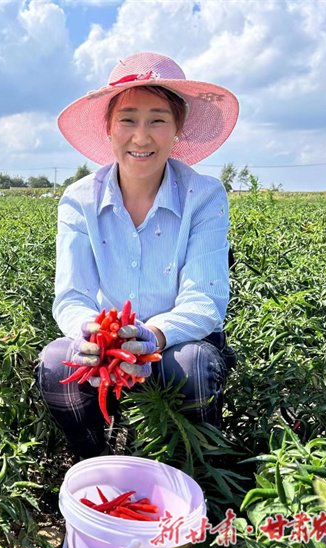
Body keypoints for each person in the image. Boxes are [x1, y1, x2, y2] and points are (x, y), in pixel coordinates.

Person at [35, 52, 239, 459]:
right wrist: (95, 335)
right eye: (127, 119)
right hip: (109, 343)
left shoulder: (205, 195)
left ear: (177, 128)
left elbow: (205, 300)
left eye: (158, 120)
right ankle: (95, 460)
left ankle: (191, 468)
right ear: (108, 128)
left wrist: (155, 336)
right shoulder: (78, 200)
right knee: (57, 362)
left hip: (178, 341)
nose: (141, 137)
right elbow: (72, 296)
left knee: (193, 366)